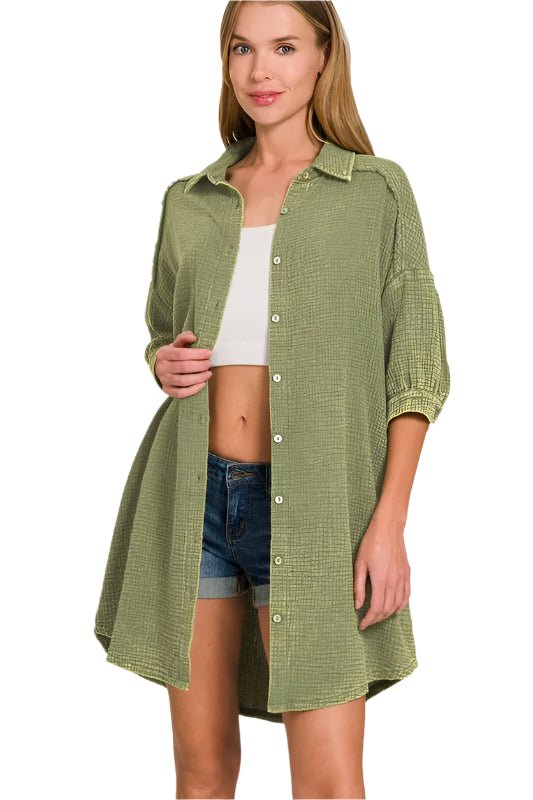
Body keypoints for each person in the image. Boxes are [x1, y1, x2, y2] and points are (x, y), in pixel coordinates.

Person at [94, 1, 451, 798]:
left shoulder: (375, 192)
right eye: (241, 49)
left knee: (326, 783)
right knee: (202, 774)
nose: (260, 71)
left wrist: (388, 524)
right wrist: (163, 363)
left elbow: (416, 367)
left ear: (323, 55)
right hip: (191, 497)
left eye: (284, 47)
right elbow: (164, 331)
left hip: (318, 511)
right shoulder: (190, 199)